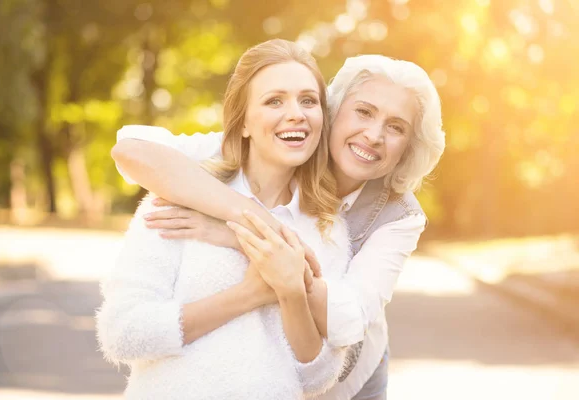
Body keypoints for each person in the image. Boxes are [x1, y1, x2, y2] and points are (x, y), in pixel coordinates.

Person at [112, 54, 446, 399]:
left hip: (351, 377)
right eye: (363, 111)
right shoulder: (280, 141)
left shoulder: (399, 215)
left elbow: (347, 321)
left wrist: (245, 239)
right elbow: (133, 149)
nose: (374, 135)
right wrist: (252, 217)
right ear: (333, 111)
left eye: (396, 127)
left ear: (408, 146)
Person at [96, 39, 353, 400]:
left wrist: (291, 291)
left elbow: (318, 378)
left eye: (308, 100)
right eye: (274, 100)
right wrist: (247, 295)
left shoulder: (328, 227)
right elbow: (122, 333)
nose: (296, 113)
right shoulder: (178, 200)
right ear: (243, 123)